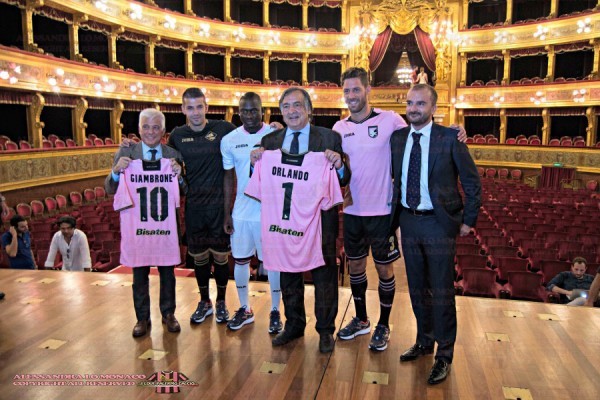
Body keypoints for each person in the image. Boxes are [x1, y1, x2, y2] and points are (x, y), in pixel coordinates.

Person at [333, 67, 466, 352]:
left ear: (368, 90)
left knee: (384, 269)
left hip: (384, 213)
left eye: (356, 89)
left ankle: (383, 324)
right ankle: (361, 319)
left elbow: (421, 132)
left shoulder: (390, 119)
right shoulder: (339, 128)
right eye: (346, 90)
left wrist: (453, 129)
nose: (351, 95)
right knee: (355, 266)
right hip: (353, 211)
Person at [390, 84, 481, 385]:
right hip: (408, 221)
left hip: (439, 224)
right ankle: (424, 340)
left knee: (441, 291)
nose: (413, 108)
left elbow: (472, 182)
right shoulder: (397, 138)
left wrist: (468, 220)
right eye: (410, 103)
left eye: (420, 103)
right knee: (417, 288)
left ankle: (444, 354)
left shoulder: (450, 138)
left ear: (433, 108)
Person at [250, 87, 350, 353]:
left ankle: (326, 330)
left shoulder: (328, 137)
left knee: (324, 276)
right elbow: (261, 178)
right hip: (285, 223)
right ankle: (294, 324)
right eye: (286, 106)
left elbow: (344, 179)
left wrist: (339, 165)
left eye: (297, 105)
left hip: (320, 222)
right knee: (288, 273)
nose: (291, 111)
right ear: (280, 111)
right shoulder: (270, 141)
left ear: (308, 109)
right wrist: (254, 161)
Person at [105, 108, 186, 337]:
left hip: (164, 226)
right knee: (139, 274)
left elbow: (183, 192)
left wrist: (179, 176)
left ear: (163, 130)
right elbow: (110, 188)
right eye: (146, 127)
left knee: (168, 273)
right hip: (138, 226)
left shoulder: (173, 155)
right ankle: (142, 318)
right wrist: (116, 172)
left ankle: (168, 314)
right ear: (139, 129)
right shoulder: (126, 153)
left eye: (156, 127)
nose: (151, 132)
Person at [168, 88, 237, 325]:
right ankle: (205, 301)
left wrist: (272, 130)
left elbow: (248, 135)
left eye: (199, 107)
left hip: (219, 207)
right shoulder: (177, 135)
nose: (195, 112)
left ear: (207, 107)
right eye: (190, 107)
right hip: (194, 206)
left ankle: (221, 301)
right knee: (199, 258)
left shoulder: (223, 128)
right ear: (183, 109)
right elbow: (163, 157)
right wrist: (129, 147)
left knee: (220, 257)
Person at [221, 92, 283, 333]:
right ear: (239, 113)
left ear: (262, 111)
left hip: (269, 212)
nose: (249, 115)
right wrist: (227, 212)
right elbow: (228, 177)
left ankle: (275, 310)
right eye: (244, 111)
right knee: (240, 260)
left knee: (273, 263)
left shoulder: (276, 135)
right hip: (241, 212)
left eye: (254, 110)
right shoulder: (229, 140)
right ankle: (244, 308)